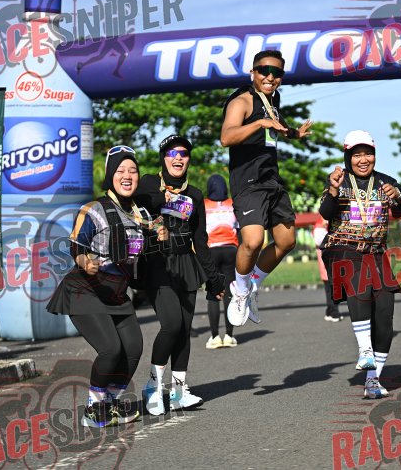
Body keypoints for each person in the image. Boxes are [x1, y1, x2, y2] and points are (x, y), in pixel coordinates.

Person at [47, 145, 164, 427]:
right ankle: (93, 408)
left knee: (133, 347)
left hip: (117, 292)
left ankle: (109, 402)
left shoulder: (140, 214)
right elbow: (76, 246)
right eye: (121, 170)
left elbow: (153, 235)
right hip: (86, 289)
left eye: (133, 170)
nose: (127, 176)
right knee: (111, 349)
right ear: (111, 175)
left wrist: (162, 232)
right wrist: (84, 261)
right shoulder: (93, 209)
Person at [221, 49, 314, 326]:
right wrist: (259, 123)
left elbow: (276, 124)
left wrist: (294, 133)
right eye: (264, 70)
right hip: (248, 183)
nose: (270, 77)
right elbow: (226, 137)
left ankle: (252, 285)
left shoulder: (273, 99)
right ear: (253, 72)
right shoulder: (241, 101)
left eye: (277, 73)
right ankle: (239, 290)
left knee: (287, 241)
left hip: (272, 180)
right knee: (252, 242)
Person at [135, 135, 226, 416]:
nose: (178, 158)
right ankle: (153, 386)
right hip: (157, 264)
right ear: (163, 158)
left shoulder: (195, 195)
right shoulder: (149, 183)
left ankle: (178, 391)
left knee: (184, 329)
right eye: (172, 153)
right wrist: (161, 197)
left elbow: (200, 240)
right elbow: (137, 203)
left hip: (186, 263)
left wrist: (214, 278)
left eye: (184, 153)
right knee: (172, 324)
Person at [320, 130, 401, 399]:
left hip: (376, 252)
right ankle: (364, 349)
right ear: (348, 157)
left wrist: (397, 196)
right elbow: (326, 212)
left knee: (384, 315)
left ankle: (373, 379)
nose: (363, 160)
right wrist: (333, 190)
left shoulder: (386, 181)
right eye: (356, 155)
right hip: (343, 249)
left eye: (367, 154)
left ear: (374, 155)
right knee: (358, 283)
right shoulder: (338, 179)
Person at [203, 174, 239, 349]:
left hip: (212, 250)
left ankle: (215, 337)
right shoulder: (233, 204)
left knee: (213, 293)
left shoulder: (204, 205)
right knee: (229, 292)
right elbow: (239, 228)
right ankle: (229, 336)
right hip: (231, 249)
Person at [313, 216, 342, 322]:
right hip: (326, 259)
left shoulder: (328, 225)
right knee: (331, 286)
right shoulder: (319, 226)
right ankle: (334, 312)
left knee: (331, 286)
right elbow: (321, 241)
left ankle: (330, 311)